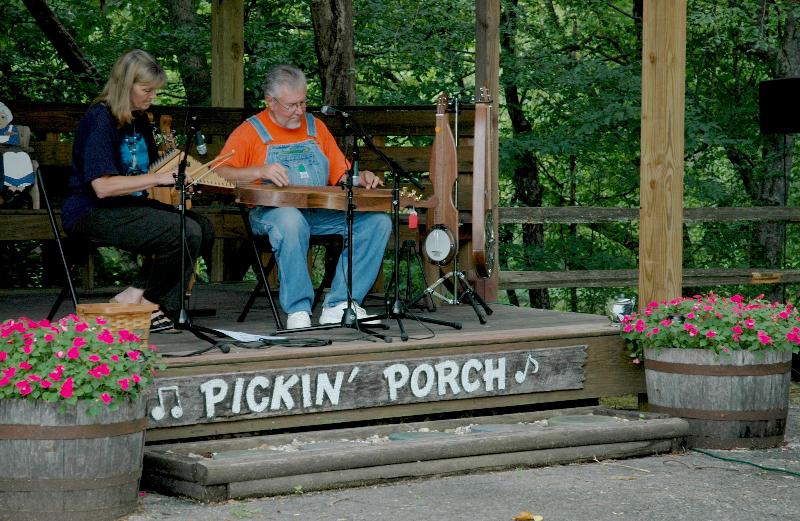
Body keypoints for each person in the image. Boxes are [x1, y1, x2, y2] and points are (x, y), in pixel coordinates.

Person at [215, 64, 391, 329]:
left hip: (318, 211)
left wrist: (360, 177)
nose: (300, 110)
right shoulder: (250, 132)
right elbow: (217, 173)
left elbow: (341, 175)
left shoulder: (315, 127)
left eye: (304, 102)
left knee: (377, 221)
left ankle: (341, 304)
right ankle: (298, 309)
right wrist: (260, 170)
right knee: (290, 220)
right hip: (270, 214)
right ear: (270, 102)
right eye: (292, 105)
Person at [61, 49, 215, 332]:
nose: (151, 97)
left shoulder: (140, 119)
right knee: (183, 231)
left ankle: (144, 301)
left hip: (129, 206)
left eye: (155, 91)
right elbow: (103, 187)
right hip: (91, 211)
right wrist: (157, 180)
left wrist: (182, 178)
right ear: (125, 85)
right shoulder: (100, 120)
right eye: (146, 90)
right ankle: (147, 303)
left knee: (202, 227)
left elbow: (151, 173)